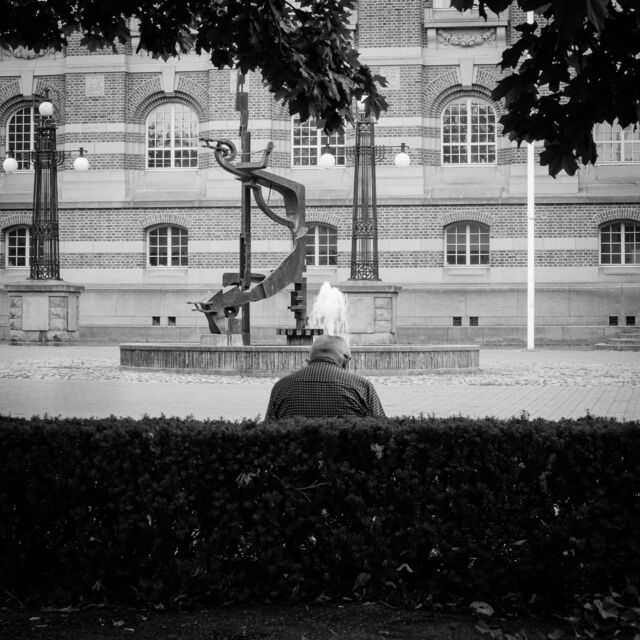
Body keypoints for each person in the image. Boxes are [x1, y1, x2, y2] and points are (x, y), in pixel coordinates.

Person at [265, 335, 385, 420]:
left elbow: (267, 430)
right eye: (349, 359)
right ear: (344, 358)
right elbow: (381, 426)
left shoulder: (281, 386)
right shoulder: (362, 386)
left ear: (311, 357)